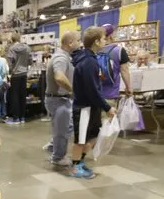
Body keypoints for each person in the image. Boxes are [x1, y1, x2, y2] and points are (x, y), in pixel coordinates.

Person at [70, 27, 117, 179]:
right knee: (81, 139)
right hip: (84, 107)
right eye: (103, 38)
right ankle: (75, 166)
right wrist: (107, 107)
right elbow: (91, 90)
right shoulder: (89, 62)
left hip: (91, 106)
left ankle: (80, 162)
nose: (105, 40)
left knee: (92, 136)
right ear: (96, 41)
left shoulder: (90, 59)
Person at [44, 31, 80, 166]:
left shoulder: (63, 57)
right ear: (70, 43)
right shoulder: (61, 58)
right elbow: (59, 77)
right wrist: (72, 90)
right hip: (59, 100)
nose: (80, 43)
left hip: (60, 99)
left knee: (66, 126)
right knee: (62, 130)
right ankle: (58, 157)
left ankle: (54, 145)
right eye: (78, 40)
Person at [100, 24, 132, 113]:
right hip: (111, 93)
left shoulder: (96, 50)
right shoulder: (119, 50)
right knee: (109, 123)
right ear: (110, 35)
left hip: (95, 93)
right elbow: (124, 71)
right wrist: (128, 87)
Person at [6, 32, 31, 124]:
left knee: (15, 96)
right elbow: (30, 61)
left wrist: (10, 72)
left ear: (12, 39)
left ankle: (16, 118)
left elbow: (10, 63)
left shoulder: (11, 49)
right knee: (22, 96)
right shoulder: (27, 48)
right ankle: (22, 117)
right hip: (24, 74)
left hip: (15, 74)